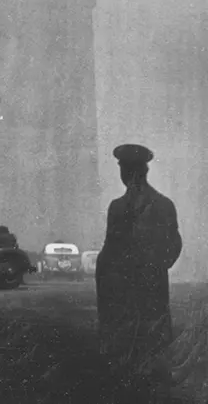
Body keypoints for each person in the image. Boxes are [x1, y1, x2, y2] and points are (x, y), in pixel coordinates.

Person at [95, 143, 182, 394]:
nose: (124, 175)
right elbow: (109, 247)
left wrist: (152, 266)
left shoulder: (163, 205)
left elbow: (173, 244)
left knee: (150, 349)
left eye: (127, 169)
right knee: (126, 355)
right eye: (123, 169)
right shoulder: (117, 207)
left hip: (149, 287)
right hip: (121, 290)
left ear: (140, 171)